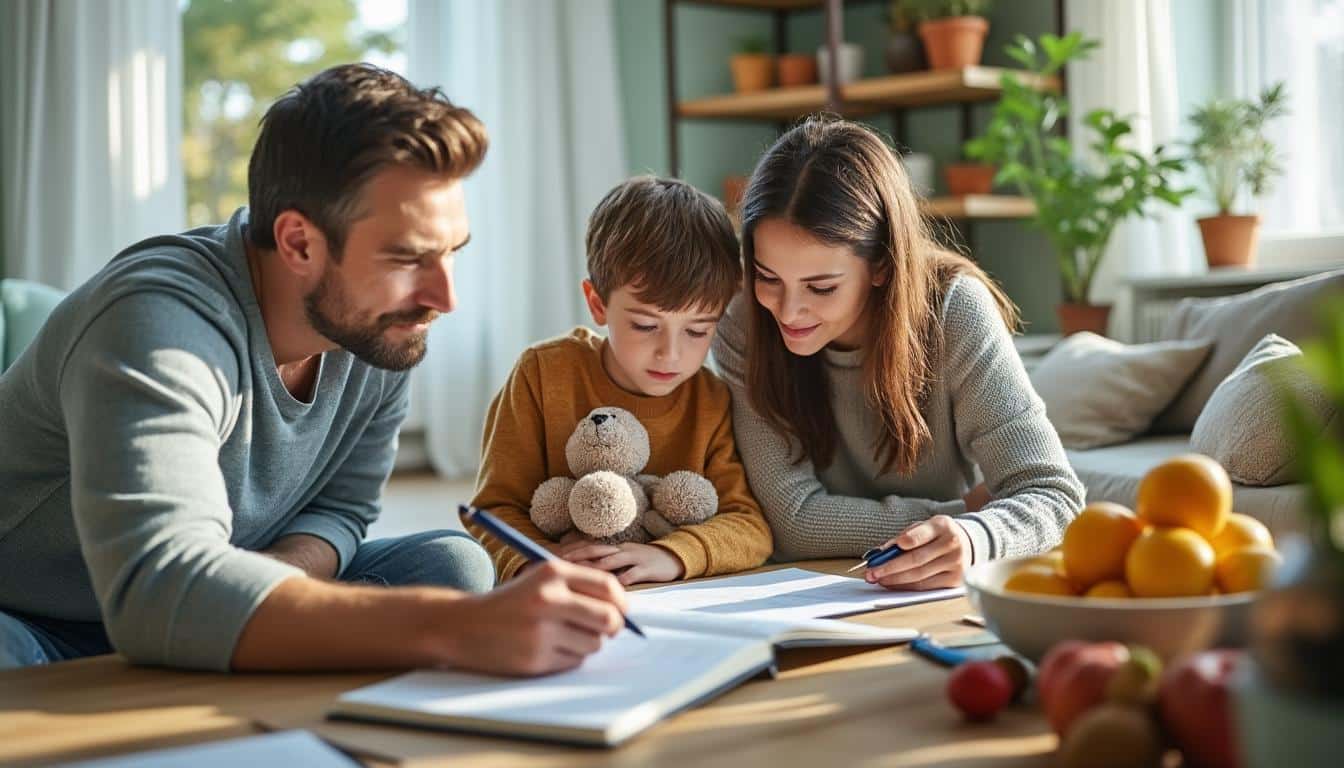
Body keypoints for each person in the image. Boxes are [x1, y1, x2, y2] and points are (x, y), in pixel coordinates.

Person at [0, 64, 627, 676]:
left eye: (451, 253)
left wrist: (259, 591)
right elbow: (157, 585)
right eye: (408, 257)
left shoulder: (382, 328)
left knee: (452, 564)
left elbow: (343, 509)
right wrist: (450, 628)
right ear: (299, 242)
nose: (444, 297)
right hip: (34, 620)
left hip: (214, 581)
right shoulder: (156, 321)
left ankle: (218, 638)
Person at [711, 118, 1085, 591]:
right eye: (767, 277)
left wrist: (976, 537)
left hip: (932, 591)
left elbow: (1056, 496)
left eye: (821, 287)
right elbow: (794, 521)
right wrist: (960, 513)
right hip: (806, 589)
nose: (787, 310)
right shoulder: (744, 323)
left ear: (882, 264)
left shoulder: (954, 310)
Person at [468, 176, 773, 586]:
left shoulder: (711, 399)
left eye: (698, 331)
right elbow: (491, 513)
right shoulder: (542, 374)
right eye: (646, 326)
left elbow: (749, 526)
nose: (671, 353)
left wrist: (673, 555)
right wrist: (539, 562)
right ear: (597, 304)